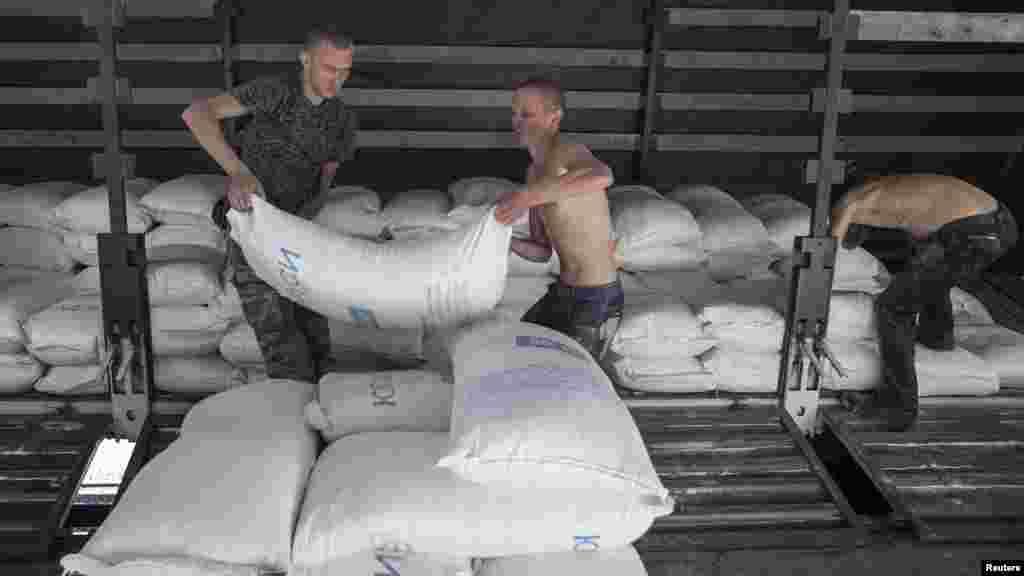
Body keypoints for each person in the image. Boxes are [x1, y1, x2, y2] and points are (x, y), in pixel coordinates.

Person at [181, 25, 359, 383]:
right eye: (328, 68)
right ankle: (293, 425)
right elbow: (196, 115)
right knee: (283, 345)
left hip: (296, 236)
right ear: (305, 59)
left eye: (345, 71)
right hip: (253, 233)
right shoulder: (274, 92)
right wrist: (238, 172)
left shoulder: (342, 120)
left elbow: (325, 180)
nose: (336, 80)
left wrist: (300, 226)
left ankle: (326, 425)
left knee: (318, 344)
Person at [831, 174, 1018, 430]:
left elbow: (828, 252)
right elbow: (922, 236)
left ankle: (897, 409)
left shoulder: (850, 204)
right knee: (926, 273)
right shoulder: (889, 192)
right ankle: (937, 336)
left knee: (893, 306)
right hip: (997, 220)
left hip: (975, 232)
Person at [494, 76, 623, 361]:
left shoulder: (567, 149)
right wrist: (501, 238)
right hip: (564, 293)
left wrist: (525, 198)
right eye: (514, 114)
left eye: (527, 115)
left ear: (555, 117)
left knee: (572, 380)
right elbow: (541, 251)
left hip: (596, 298)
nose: (517, 122)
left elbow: (602, 175)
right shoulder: (533, 173)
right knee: (517, 352)